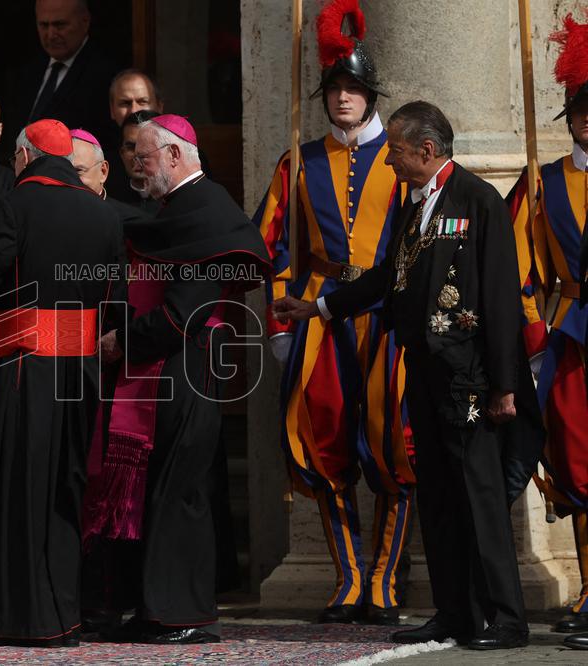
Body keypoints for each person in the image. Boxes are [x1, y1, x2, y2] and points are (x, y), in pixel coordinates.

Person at [274, 100, 544, 650]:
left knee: (480, 496)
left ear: (427, 150)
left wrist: (505, 385)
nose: (389, 160)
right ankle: (455, 613)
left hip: (470, 378)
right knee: (438, 496)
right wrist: (322, 308)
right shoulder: (414, 203)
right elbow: (383, 278)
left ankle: (506, 619)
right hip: (420, 371)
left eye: (396, 151)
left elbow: (498, 296)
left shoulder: (478, 200)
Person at [253, 0, 412, 625]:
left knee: (393, 447)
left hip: (385, 320)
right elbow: (273, 246)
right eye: (335, 89)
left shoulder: (402, 161)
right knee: (325, 444)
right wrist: (280, 321)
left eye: (353, 88)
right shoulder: (298, 161)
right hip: (319, 327)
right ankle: (348, 579)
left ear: (370, 95)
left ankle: (384, 578)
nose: (342, 98)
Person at [95, 115, 270, 644]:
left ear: (175, 156)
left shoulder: (206, 210)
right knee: (163, 490)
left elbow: (184, 313)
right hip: (175, 366)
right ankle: (157, 608)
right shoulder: (179, 209)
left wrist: (124, 341)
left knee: (181, 492)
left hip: (189, 367)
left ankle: (182, 614)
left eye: (143, 158)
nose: (136, 168)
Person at [0, 118, 123, 647]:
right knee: (64, 486)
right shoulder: (102, 212)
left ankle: (16, 618)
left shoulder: (17, 204)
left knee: (21, 488)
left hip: (27, 365)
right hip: (81, 370)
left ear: (27, 156)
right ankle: (65, 617)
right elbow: (114, 294)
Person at [507, 13, 588, 651]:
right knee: (579, 465)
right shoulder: (544, 183)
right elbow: (518, 269)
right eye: (581, 109)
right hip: (572, 335)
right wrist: (535, 331)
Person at [3, 0, 121, 155]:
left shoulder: (105, 76)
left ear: (85, 22)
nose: (51, 34)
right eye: (44, 25)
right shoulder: (26, 69)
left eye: (60, 25)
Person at [110, 109, 162, 212]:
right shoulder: (108, 200)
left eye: (147, 146)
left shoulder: (180, 199)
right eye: (131, 147)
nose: (138, 155)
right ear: (121, 153)